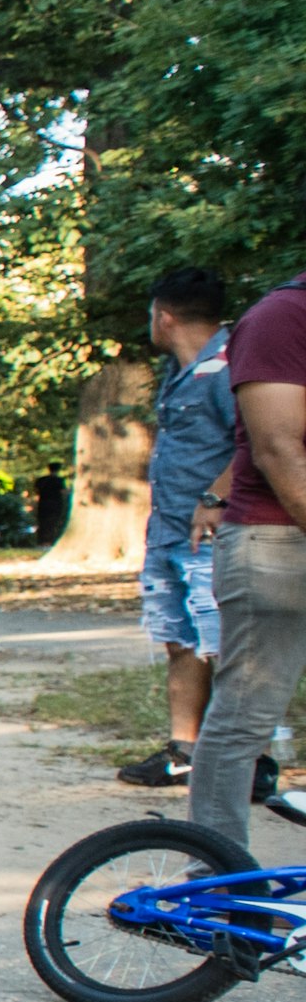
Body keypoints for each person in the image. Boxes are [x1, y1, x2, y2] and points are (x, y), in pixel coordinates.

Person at [196, 260, 306, 850]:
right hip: (278, 547)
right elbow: (278, 447)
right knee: (243, 720)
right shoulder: (282, 318)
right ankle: (214, 877)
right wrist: (214, 495)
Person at [126, 270, 235, 789]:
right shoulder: (179, 372)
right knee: (180, 639)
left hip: (213, 535)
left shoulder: (227, 368)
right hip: (169, 531)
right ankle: (184, 750)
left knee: (226, 644)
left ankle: (245, 761)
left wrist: (216, 497)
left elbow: (260, 440)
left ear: (163, 316)